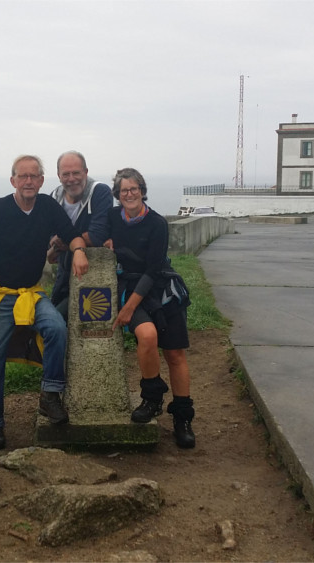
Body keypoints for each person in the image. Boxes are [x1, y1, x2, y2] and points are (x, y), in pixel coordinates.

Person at [0, 155, 90, 450]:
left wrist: (78, 250)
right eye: (22, 176)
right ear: (13, 180)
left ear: (41, 181)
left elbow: (72, 235)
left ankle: (50, 395)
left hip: (29, 293)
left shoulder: (48, 207)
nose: (28, 181)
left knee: (56, 328)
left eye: (34, 176)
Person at [104, 168, 196, 449]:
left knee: (175, 354)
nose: (129, 194)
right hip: (129, 286)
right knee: (146, 336)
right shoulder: (111, 219)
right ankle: (153, 398)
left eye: (134, 189)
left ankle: (183, 418)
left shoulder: (157, 223)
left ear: (142, 190)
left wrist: (128, 309)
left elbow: (154, 269)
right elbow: (93, 234)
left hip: (160, 288)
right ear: (117, 196)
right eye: (124, 191)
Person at [47, 150, 113, 320]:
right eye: (66, 174)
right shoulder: (55, 197)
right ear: (58, 176)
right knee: (55, 321)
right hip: (65, 273)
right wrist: (57, 245)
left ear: (86, 172)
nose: (71, 179)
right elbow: (49, 238)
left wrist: (63, 243)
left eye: (76, 173)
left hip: (94, 273)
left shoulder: (99, 192)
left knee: (63, 319)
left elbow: (97, 235)